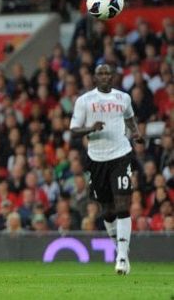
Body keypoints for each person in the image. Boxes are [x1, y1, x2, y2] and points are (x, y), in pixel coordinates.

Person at [70, 64, 144, 276]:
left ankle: (121, 257)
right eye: (100, 73)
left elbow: (129, 117)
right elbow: (73, 131)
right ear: (94, 77)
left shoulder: (123, 98)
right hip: (96, 160)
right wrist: (90, 129)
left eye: (107, 73)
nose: (104, 76)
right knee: (107, 211)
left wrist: (136, 133)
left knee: (122, 205)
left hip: (120, 155)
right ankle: (121, 250)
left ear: (112, 77)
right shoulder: (84, 101)